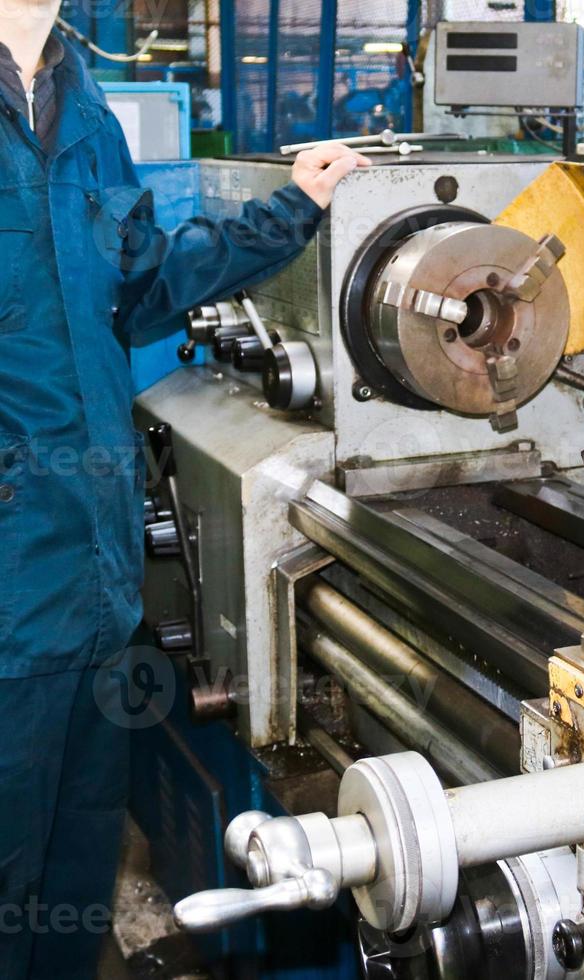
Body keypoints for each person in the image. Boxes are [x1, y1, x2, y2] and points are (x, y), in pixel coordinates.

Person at [0, 3, 369, 976]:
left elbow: (146, 284)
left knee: (75, 864)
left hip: (93, 577)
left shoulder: (85, 108)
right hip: (8, 583)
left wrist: (296, 207)